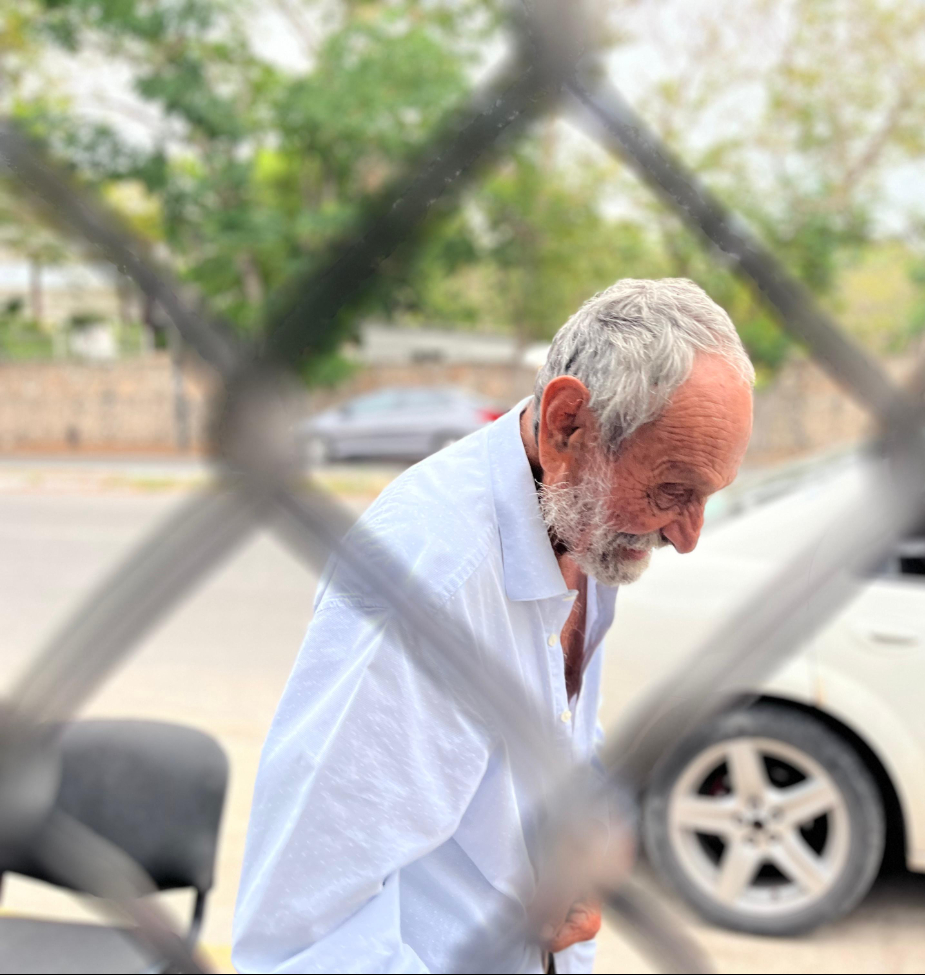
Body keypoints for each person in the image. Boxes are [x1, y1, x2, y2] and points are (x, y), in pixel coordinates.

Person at [231, 278, 755, 973]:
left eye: (706, 496)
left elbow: (537, 738)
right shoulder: (429, 580)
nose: (688, 536)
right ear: (568, 424)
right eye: (672, 489)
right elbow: (300, 936)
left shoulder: (579, 520)